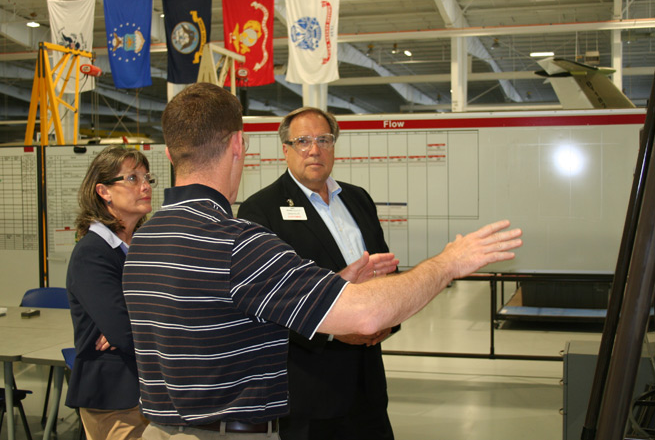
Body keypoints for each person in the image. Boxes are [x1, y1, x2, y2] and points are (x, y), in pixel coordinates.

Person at [122, 82, 522, 440]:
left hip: (163, 428)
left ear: (171, 153)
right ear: (238, 145)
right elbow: (364, 315)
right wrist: (449, 263)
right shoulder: (236, 241)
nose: (314, 150)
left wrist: (329, 287)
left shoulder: (144, 239)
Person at [237, 107, 397, 440]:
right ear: (285, 149)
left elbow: (385, 269)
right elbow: (269, 299)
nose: (315, 149)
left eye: (324, 139)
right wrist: (334, 329)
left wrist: (387, 319)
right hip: (310, 388)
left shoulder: (358, 199)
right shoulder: (261, 210)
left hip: (368, 384)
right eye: (303, 141)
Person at [66, 145, 155, 440]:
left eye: (146, 177)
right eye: (131, 178)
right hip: (114, 399)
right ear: (103, 191)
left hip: (147, 393)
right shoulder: (92, 252)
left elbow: (156, 311)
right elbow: (123, 330)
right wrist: (126, 327)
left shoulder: (140, 247)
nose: (144, 186)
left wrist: (133, 323)